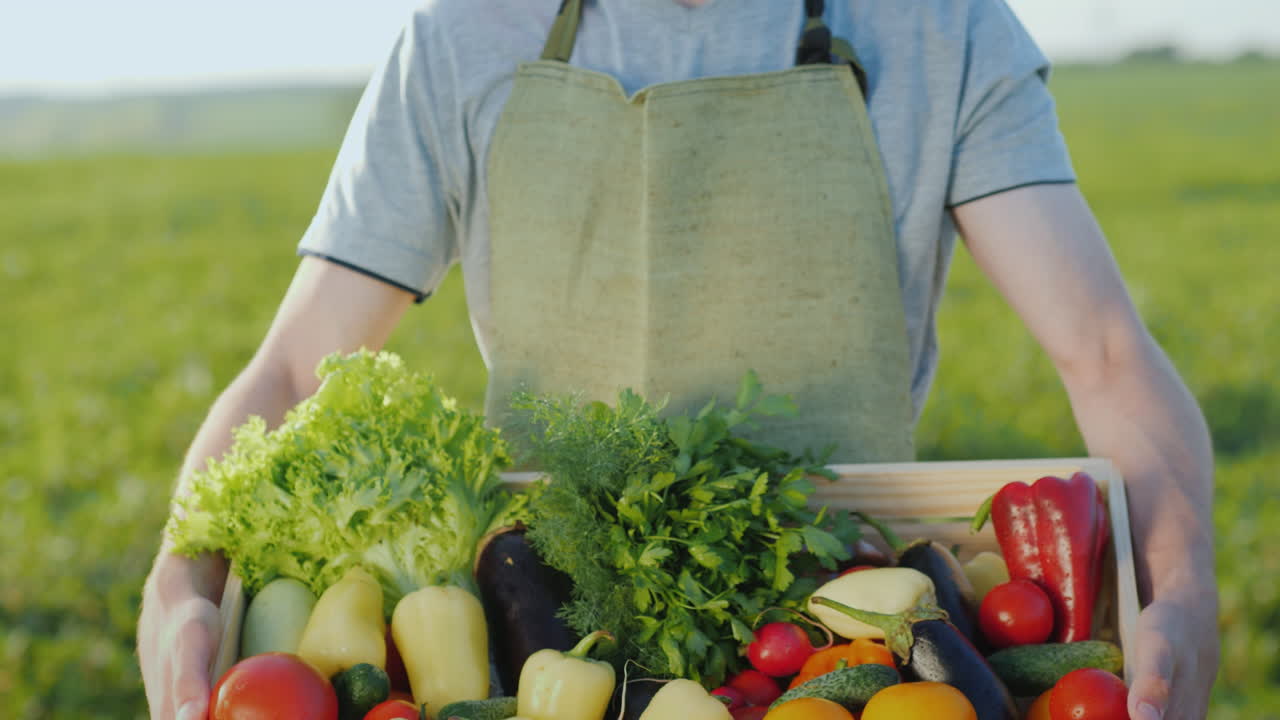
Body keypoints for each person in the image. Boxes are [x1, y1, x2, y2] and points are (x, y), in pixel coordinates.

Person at [137, 1, 1218, 718]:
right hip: (541, 626)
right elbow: (290, 375)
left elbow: (1103, 349)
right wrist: (183, 578)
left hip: (841, 610)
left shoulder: (935, 24)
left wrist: (1181, 577)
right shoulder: (466, 31)